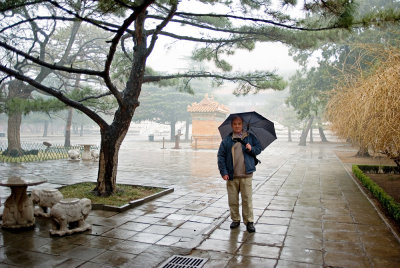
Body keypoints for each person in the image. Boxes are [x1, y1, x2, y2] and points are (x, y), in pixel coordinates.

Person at [217, 115, 262, 233]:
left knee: (247, 199)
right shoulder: (227, 140)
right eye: (235, 124)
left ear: (242, 125)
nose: (237, 126)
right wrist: (224, 172)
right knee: (233, 199)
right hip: (232, 175)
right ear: (232, 126)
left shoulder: (250, 137)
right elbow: (220, 156)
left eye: (239, 124)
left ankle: (249, 221)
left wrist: (251, 148)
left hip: (246, 174)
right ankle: (235, 219)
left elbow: (258, 149)